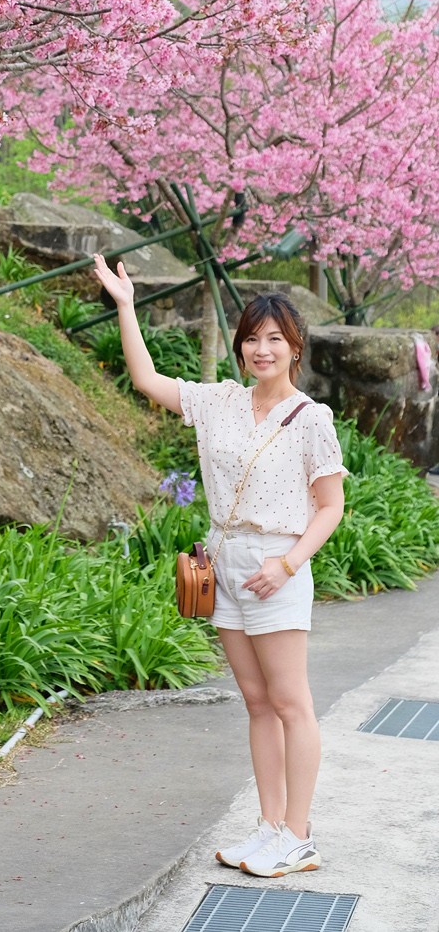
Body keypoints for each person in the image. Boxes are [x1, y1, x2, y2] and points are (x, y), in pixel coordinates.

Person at [92, 255, 345, 878]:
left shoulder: (312, 418)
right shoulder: (220, 403)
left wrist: (287, 564)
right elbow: (148, 379)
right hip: (224, 564)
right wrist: (127, 306)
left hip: (276, 565)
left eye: (275, 340)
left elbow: (330, 507)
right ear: (240, 348)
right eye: (252, 339)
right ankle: (269, 826)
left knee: (291, 703)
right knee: (257, 703)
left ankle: (299, 834)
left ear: (295, 349)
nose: (262, 350)